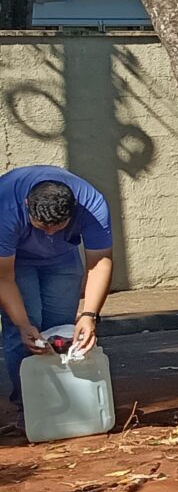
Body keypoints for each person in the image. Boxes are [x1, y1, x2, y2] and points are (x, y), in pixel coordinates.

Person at [0, 167, 115, 417]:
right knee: (28, 327)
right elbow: (4, 277)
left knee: (60, 330)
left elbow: (100, 262)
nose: (50, 233)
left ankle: (67, 405)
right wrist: (22, 325)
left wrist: (89, 315)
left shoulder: (92, 205)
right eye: (42, 225)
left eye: (58, 225)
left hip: (62, 258)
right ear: (27, 204)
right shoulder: (5, 207)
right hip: (15, 259)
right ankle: (30, 408)